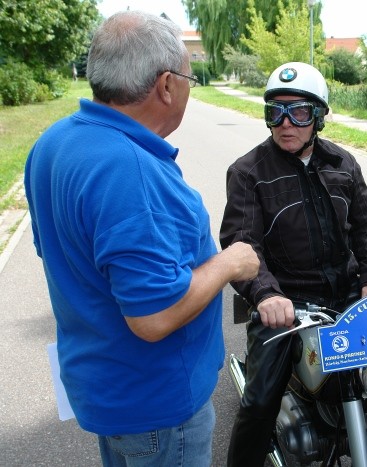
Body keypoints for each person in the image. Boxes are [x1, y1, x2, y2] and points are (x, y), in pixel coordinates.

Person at [24, 11, 259, 466]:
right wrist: (230, 263)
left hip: (105, 388)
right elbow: (153, 316)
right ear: (167, 85)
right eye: (190, 77)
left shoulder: (53, 143)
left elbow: (59, 255)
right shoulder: (128, 170)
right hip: (157, 407)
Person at [219, 61, 367, 467]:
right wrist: (266, 295)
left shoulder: (343, 164)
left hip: (346, 294)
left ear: (319, 117)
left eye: (299, 112)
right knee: (260, 399)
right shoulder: (247, 172)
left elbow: (364, 226)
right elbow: (241, 242)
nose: (285, 123)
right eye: (275, 112)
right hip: (287, 303)